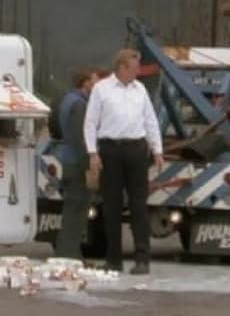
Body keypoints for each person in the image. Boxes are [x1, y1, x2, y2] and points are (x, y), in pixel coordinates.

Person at [83, 49, 164, 275]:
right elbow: (90, 123)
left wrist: (157, 150)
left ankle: (142, 259)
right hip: (111, 149)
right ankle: (114, 260)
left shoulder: (140, 90)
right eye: (135, 67)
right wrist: (93, 153)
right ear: (122, 67)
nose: (138, 72)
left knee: (139, 205)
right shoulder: (102, 89)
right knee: (112, 206)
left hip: (136, 149)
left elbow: (150, 121)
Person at [52, 66, 101, 259]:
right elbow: (80, 138)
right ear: (86, 82)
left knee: (73, 209)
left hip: (68, 161)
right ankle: (69, 254)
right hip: (76, 163)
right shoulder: (80, 105)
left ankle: (70, 253)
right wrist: (90, 162)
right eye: (95, 81)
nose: (98, 85)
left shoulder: (68, 100)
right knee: (77, 211)